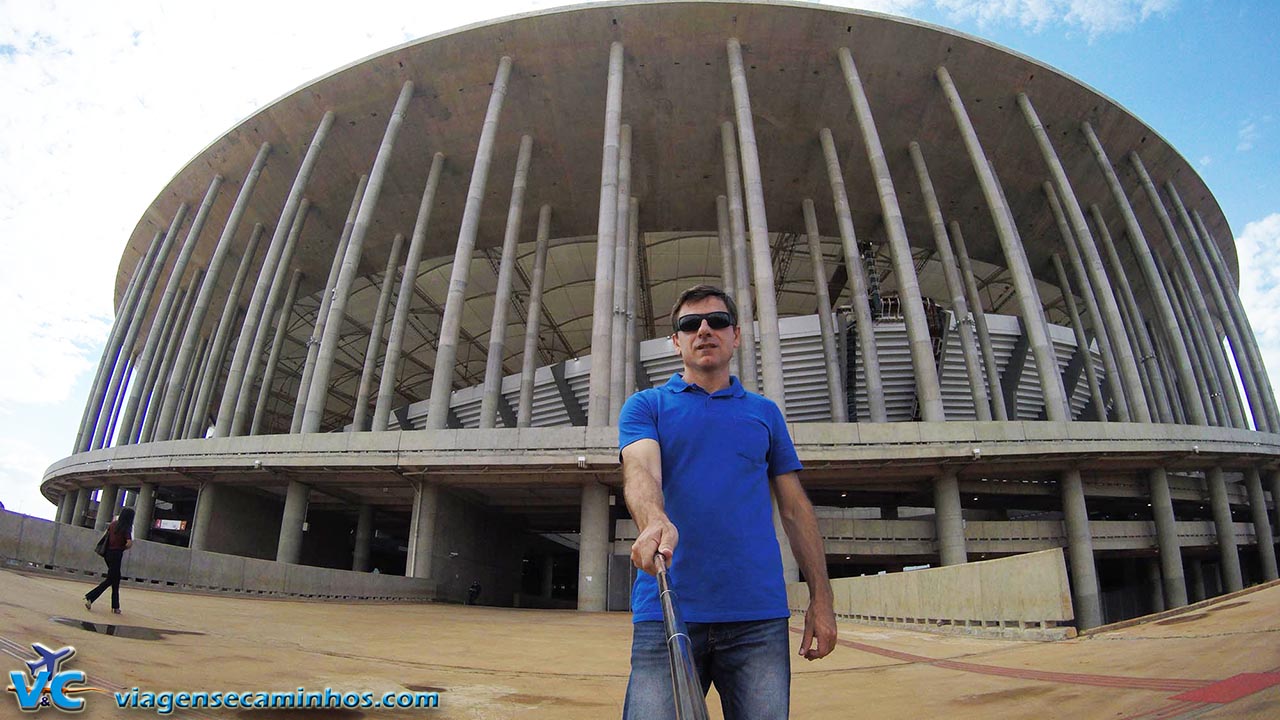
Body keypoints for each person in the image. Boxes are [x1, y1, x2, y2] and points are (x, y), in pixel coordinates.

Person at [619, 285, 837, 720]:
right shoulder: (647, 406)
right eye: (689, 324)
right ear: (675, 341)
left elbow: (795, 509)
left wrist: (822, 598)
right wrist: (655, 519)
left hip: (757, 618)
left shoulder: (765, 413)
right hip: (668, 613)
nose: (704, 330)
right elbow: (641, 471)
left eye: (717, 321)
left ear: (736, 335)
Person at [85, 507, 135, 614]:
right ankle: (90, 597)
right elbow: (129, 543)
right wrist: (122, 548)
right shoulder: (126, 527)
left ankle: (115, 607)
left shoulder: (113, 524)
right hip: (117, 554)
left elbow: (107, 536)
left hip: (107, 554)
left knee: (115, 579)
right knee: (111, 579)